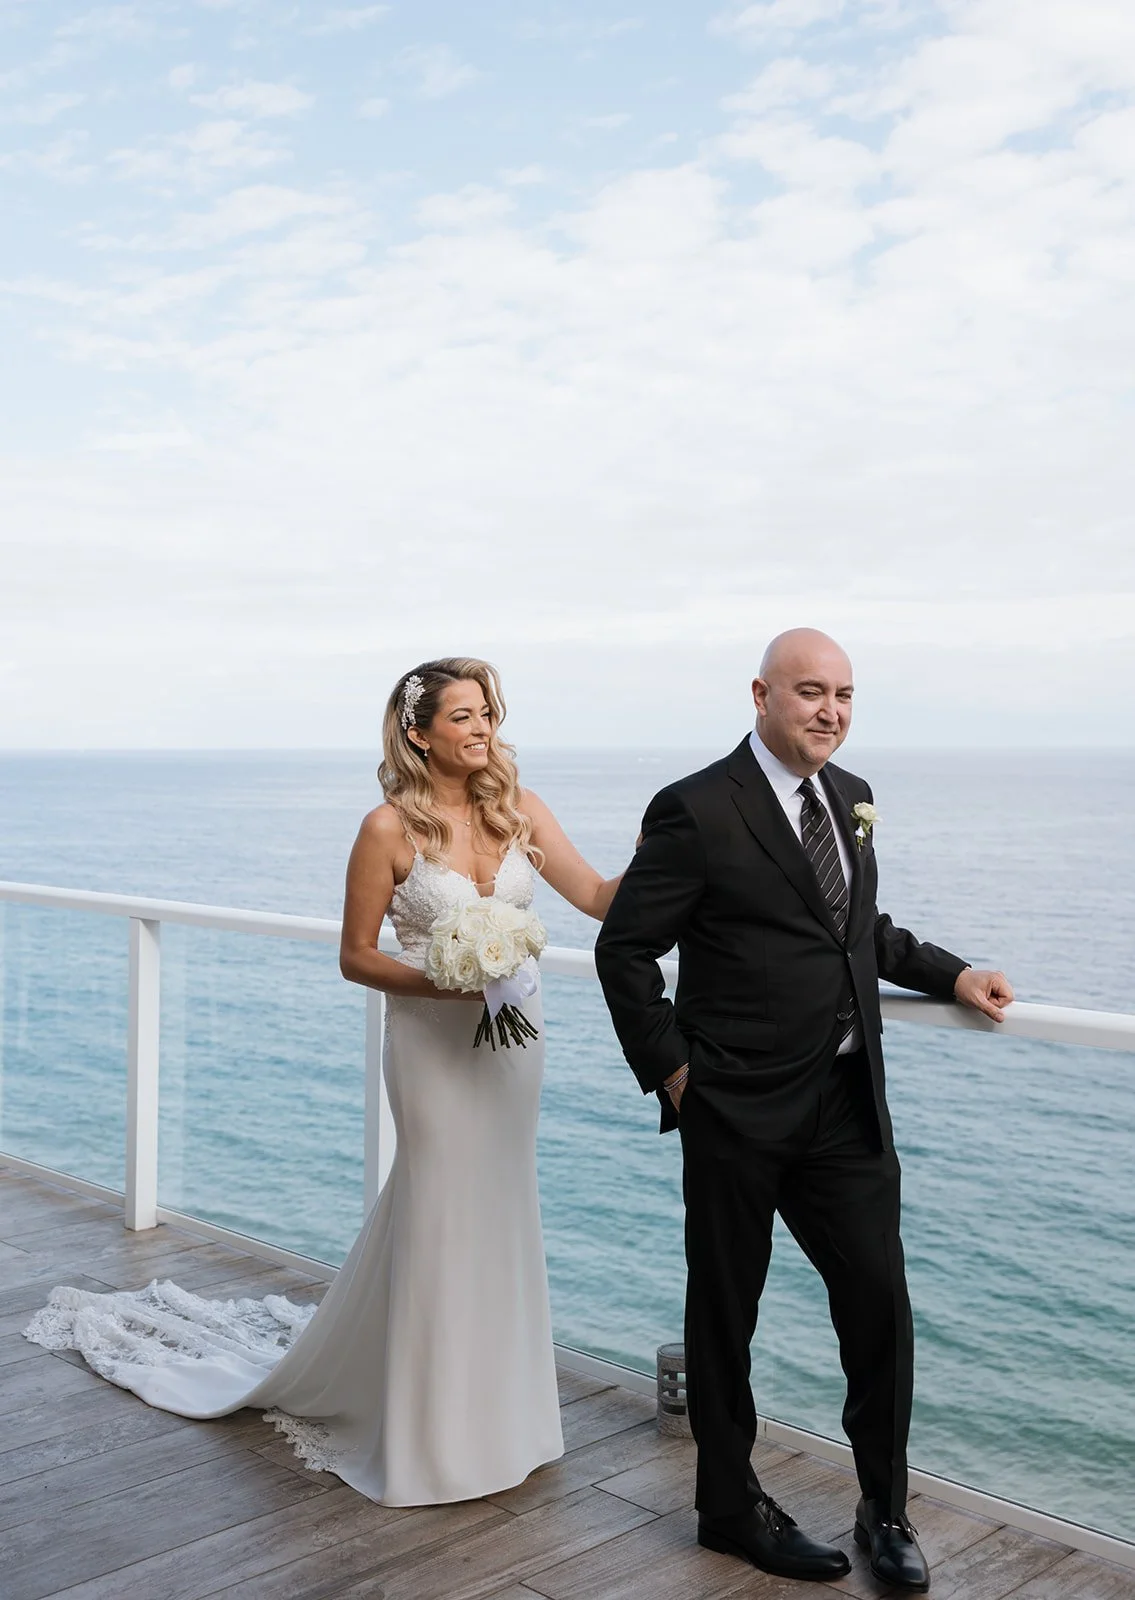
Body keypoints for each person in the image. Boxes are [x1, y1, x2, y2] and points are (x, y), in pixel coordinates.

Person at [25, 656, 624, 1506]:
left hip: (511, 1052)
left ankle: (505, 1421)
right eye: (461, 715)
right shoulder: (386, 828)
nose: (483, 727)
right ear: (418, 733)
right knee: (437, 1213)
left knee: (500, 1214)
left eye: (487, 711)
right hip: (430, 1050)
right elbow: (357, 956)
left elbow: (599, 896)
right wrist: (445, 980)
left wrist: (662, 860)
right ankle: (431, 1436)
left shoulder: (520, 812)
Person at [594, 629, 1014, 1591]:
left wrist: (952, 974)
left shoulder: (853, 797)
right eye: (810, 692)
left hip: (842, 1105)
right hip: (734, 1109)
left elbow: (856, 931)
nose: (829, 711)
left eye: (845, 695)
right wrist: (673, 1075)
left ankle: (884, 1507)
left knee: (878, 1306)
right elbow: (625, 950)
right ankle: (728, 1508)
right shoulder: (696, 808)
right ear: (760, 694)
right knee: (725, 1316)